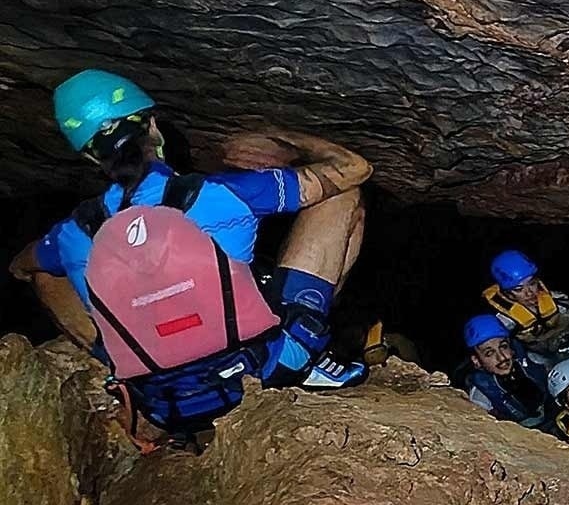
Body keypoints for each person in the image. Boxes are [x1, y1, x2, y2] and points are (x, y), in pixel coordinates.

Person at [10, 69, 370, 440]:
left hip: (165, 405)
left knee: (45, 274)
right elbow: (355, 169)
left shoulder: (74, 232)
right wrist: (285, 143)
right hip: (265, 371)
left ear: (91, 156)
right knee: (343, 196)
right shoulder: (222, 193)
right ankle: (305, 352)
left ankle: (120, 366)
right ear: (152, 126)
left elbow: (20, 267)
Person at [460, 314, 552, 429]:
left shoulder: (534, 361)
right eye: (489, 353)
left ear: (511, 348)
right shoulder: (480, 398)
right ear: (477, 361)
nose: (502, 358)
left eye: (503, 346)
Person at [482, 249, 569, 357]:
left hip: (565, 344)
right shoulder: (504, 323)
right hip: (533, 356)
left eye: (532, 284)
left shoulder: (559, 301)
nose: (529, 293)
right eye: (519, 289)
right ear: (506, 293)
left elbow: (567, 323)